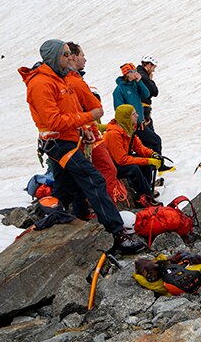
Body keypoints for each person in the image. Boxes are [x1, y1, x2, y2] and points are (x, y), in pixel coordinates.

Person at [19, 39, 145, 254]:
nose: (70, 57)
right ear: (54, 57)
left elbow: (69, 111)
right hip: (59, 143)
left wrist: (84, 127)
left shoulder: (59, 80)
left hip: (67, 140)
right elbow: (54, 121)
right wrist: (89, 117)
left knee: (67, 186)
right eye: (65, 54)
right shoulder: (41, 83)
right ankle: (117, 234)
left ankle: (67, 218)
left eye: (70, 54)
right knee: (94, 179)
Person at [64, 42, 124, 204]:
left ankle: (96, 208)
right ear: (73, 57)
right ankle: (109, 208)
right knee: (106, 170)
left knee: (90, 173)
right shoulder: (74, 81)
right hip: (86, 134)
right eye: (82, 55)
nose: (85, 59)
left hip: (81, 133)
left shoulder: (70, 79)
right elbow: (92, 106)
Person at [113, 63, 171, 173]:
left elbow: (146, 94)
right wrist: (129, 124)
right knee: (155, 140)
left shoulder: (134, 85)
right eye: (133, 71)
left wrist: (140, 82)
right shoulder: (119, 90)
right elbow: (119, 109)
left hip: (140, 123)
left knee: (149, 145)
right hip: (132, 126)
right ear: (127, 74)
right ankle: (158, 166)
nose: (136, 73)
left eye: (135, 70)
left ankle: (153, 168)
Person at [104, 104, 163, 208]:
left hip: (119, 161)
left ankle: (144, 193)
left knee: (143, 163)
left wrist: (151, 154)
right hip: (111, 166)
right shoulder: (113, 134)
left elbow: (139, 147)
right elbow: (121, 160)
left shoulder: (128, 129)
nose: (137, 116)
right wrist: (147, 161)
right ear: (126, 118)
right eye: (133, 114)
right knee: (133, 168)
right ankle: (145, 197)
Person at [137, 55, 159, 129]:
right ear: (149, 65)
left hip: (140, 109)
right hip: (143, 109)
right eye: (153, 67)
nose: (153, 70)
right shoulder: (143, 76)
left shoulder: (138, 72)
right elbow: (155, 92)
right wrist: (151, 80)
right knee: (153, 138)